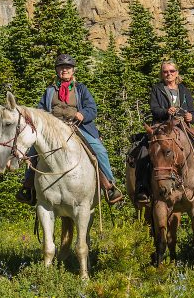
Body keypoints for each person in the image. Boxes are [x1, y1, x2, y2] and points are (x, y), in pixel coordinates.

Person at [19, 54, 124, 206]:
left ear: (73, 70)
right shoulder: (49, 91)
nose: (64, 70)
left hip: (77, 126)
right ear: (57, 71)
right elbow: (40, 110)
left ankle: (109, 186)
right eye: (61, 68)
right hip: (53, 129)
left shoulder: (80, 89)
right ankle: (27, 188)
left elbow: (92, 109)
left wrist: (83, 114)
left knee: (99, 150)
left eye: (67, 68)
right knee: (33, 152)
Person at [133, 61, 194, 204]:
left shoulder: (184, 90)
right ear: (162, 74)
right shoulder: (157, 89)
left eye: (172, 71)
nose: (169, 74)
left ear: (177, 73)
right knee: (144, 150)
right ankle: (142, 188)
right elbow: (154, 109)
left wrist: (191, 116)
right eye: (165, 72)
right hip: (162, 125)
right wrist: (166, 111)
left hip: (182, 126)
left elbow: (192, 112)